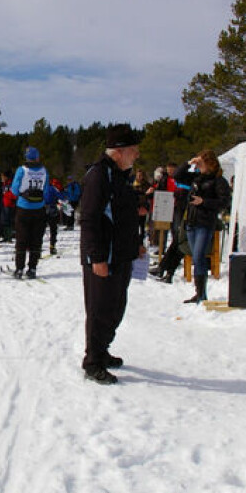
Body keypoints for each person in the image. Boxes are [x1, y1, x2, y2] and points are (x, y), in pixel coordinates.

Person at [80, 124, 145, 384]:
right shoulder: (98, 175)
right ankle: (92, 361)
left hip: (121, 254)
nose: (137, 154)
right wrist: (96, 258)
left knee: (116, 306)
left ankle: (102, 350)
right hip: (103, 257)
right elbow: (90, 219)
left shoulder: (120, 175)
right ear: (119, 151)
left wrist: (136, 243)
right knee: (100, 309)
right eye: (134, 149)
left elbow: (124, 216)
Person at [174, 151, 231, 304]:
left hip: (205, 223)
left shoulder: (219, 181)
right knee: (195, 257)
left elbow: (224, 201)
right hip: (191, 222)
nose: (199, 166)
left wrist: (203, 201)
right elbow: (178, 176)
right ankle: (199, 292)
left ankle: (201, 293)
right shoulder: (196, 178)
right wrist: (189, 163)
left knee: (199, 256)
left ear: (210, 163)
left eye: (201, 163)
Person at [11, 147, 52, 279]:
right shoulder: (44, 170)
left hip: (23, 208)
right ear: (37, 157)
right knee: (36, 240)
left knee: (21, 239)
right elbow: (46, 191)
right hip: (39, 209)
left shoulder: (22, 170)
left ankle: (19, 269)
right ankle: (32, 268)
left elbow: (14, 190)